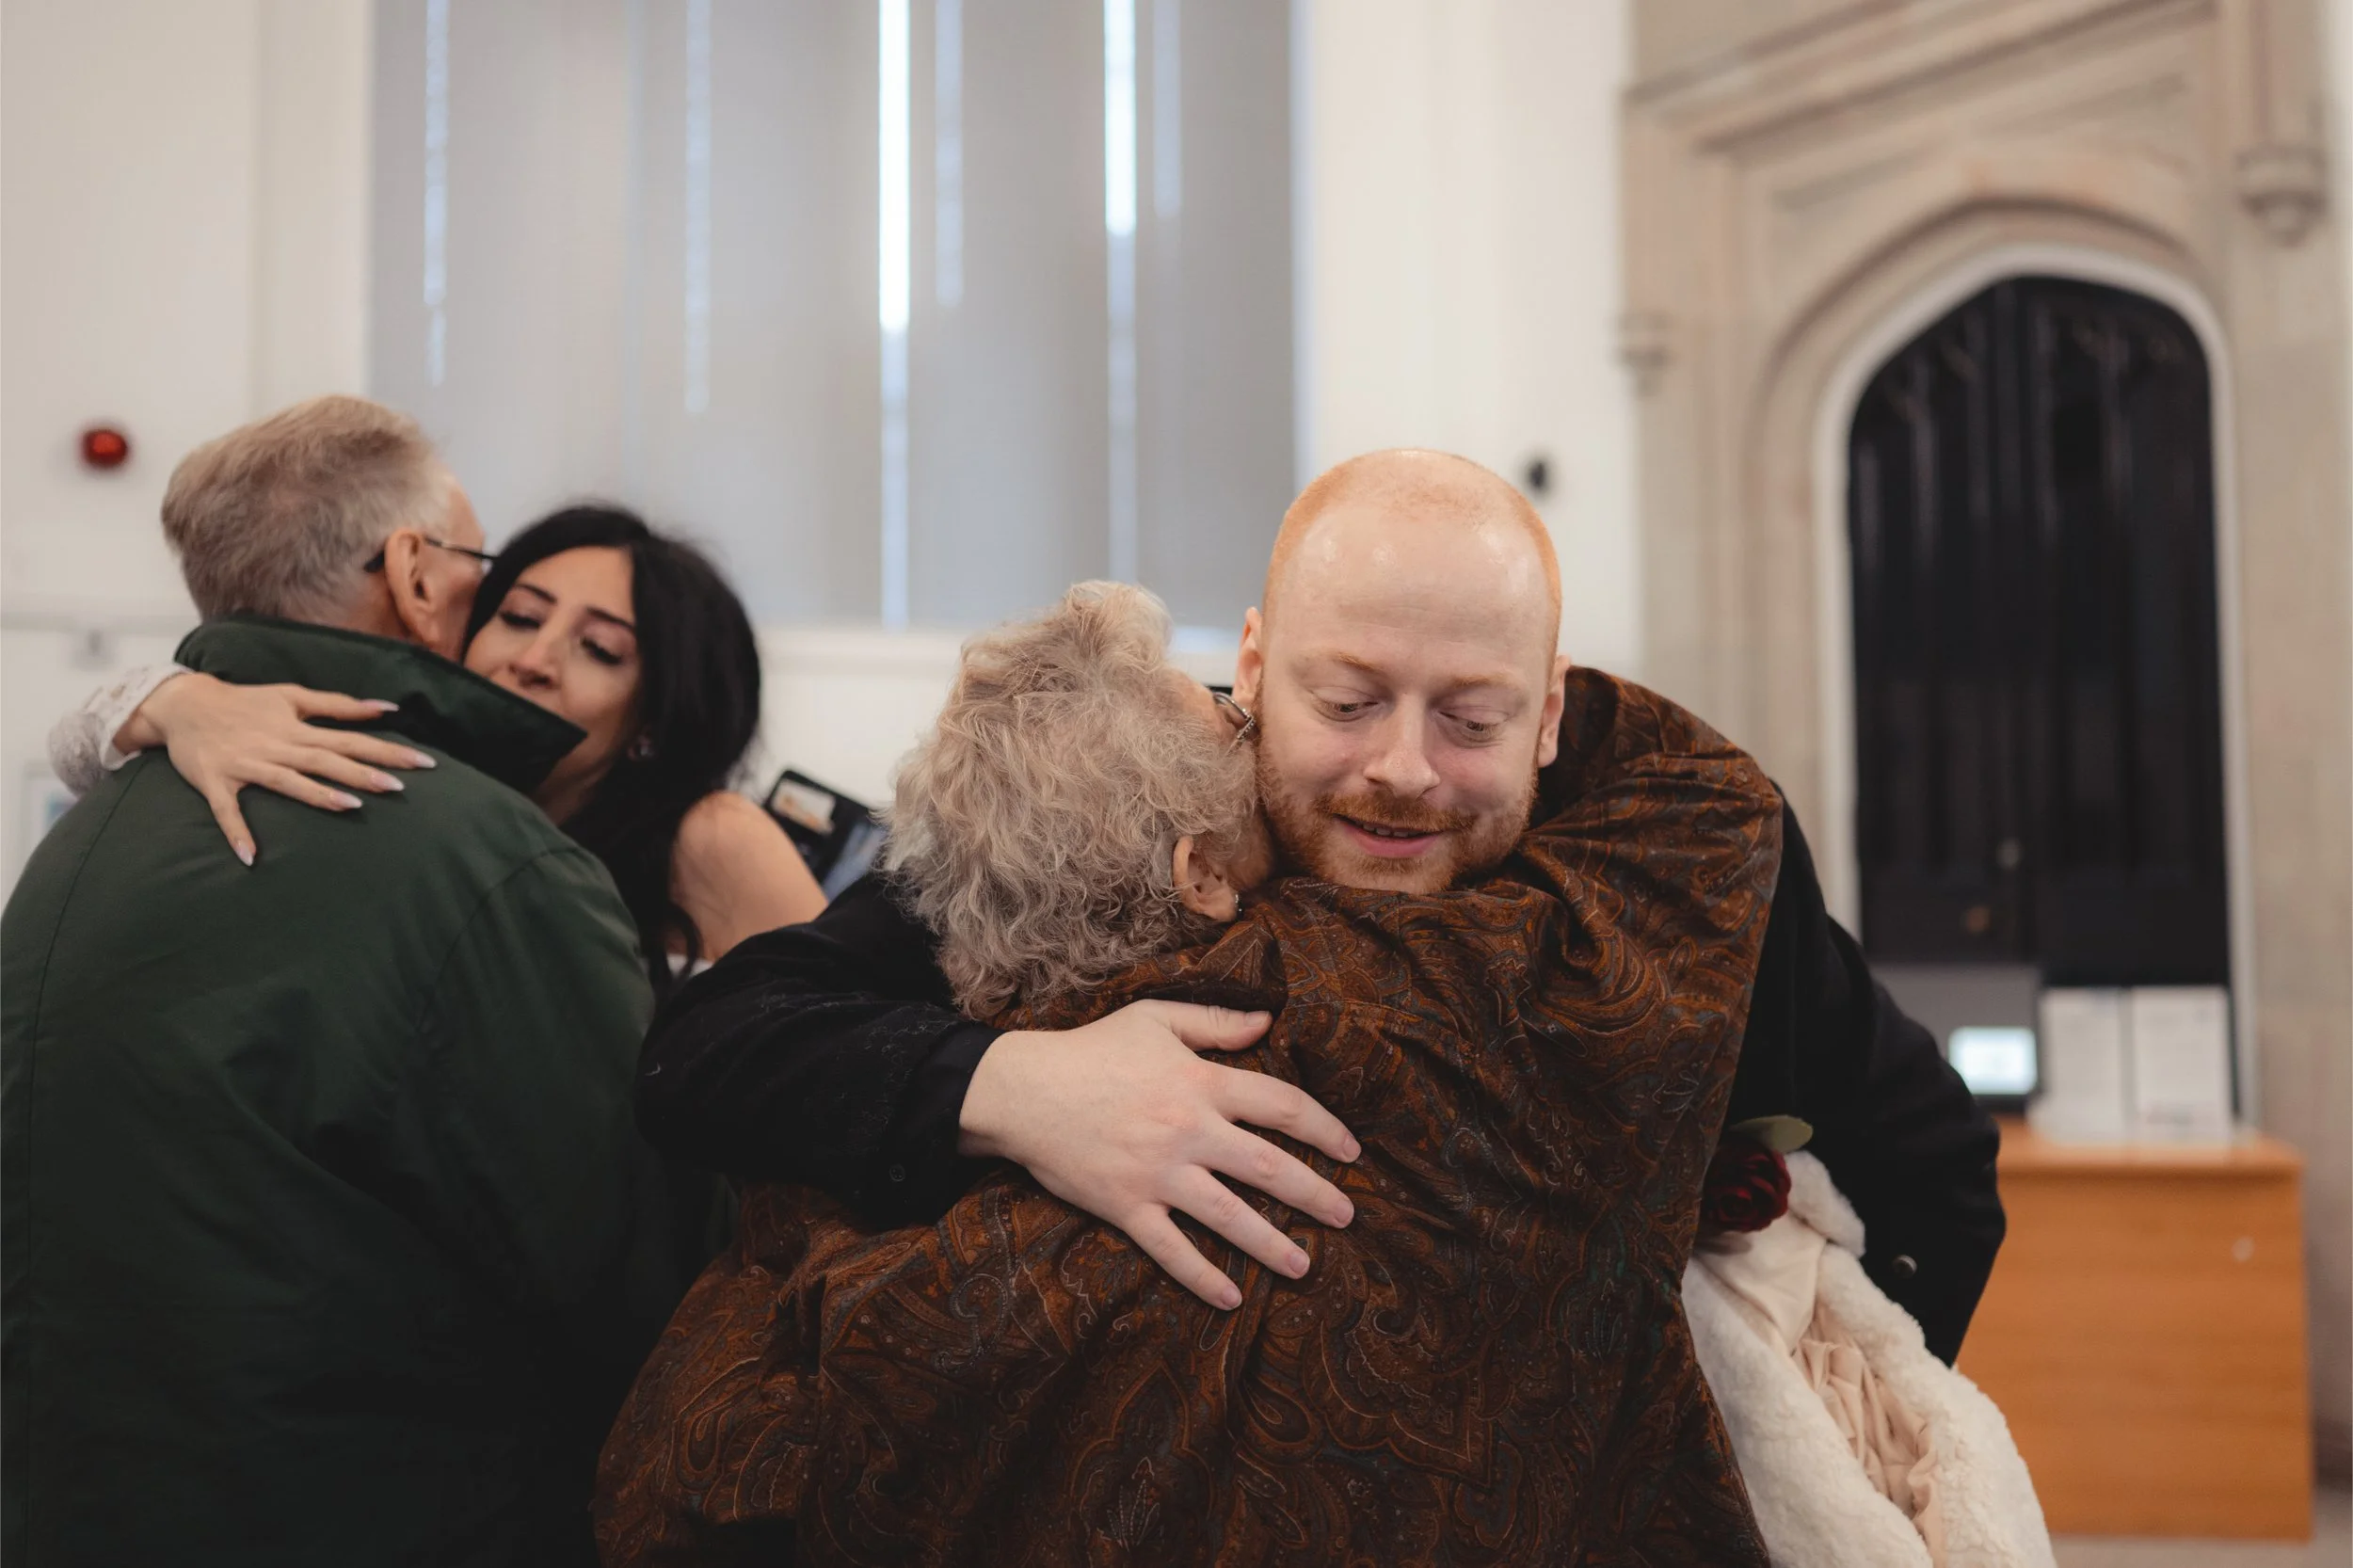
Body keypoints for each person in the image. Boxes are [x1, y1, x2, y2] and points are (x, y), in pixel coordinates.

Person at [636, 449, 2007, 1363]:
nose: (1403, 770)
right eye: (1344, 701)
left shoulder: (1684, 873)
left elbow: (1936, 1169)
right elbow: (712, 1050)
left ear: (1550, 715)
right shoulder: (1144, 818)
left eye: (1473, 717)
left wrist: (1788, 1422)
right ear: (1251, 665)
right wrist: (1022, 1086)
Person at [596, 583, 1785, 1563]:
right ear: (1203, 872)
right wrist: (1012, 1088)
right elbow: (1713, 804)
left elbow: (678, 1488)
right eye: (1235, 712)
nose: (1259, 725)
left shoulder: (837, 1256)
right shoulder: (1419, 991)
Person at [2, 397, 709, 1567]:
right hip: (367, 1502)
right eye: (498, 584)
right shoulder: (486, 859)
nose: (524, 642)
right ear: (414, 574)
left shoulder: (86, 836)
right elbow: (634, 1269)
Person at [47, 505, 823, 993]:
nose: (535, 658)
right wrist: (178, 700)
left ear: (657, 717)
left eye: (599, 649)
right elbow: (79, 746)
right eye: (519, 616)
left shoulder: (714, 835)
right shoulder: (417, 783)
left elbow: (861, 1051)